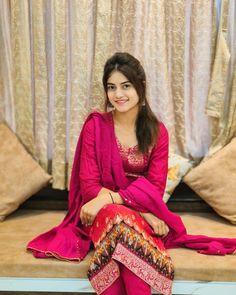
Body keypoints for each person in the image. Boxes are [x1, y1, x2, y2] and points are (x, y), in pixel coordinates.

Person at [27, 52, 236, 295]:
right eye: (111, 87)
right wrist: (137, 212)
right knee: (117, 220)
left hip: (130, 212)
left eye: (126, 86)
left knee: (121, 233)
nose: (118, 94)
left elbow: (154, 188)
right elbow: (89, 187)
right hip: (101, 215)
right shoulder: (96, 126)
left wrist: (110, 199)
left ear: (142, 87)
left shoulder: (157, 132)